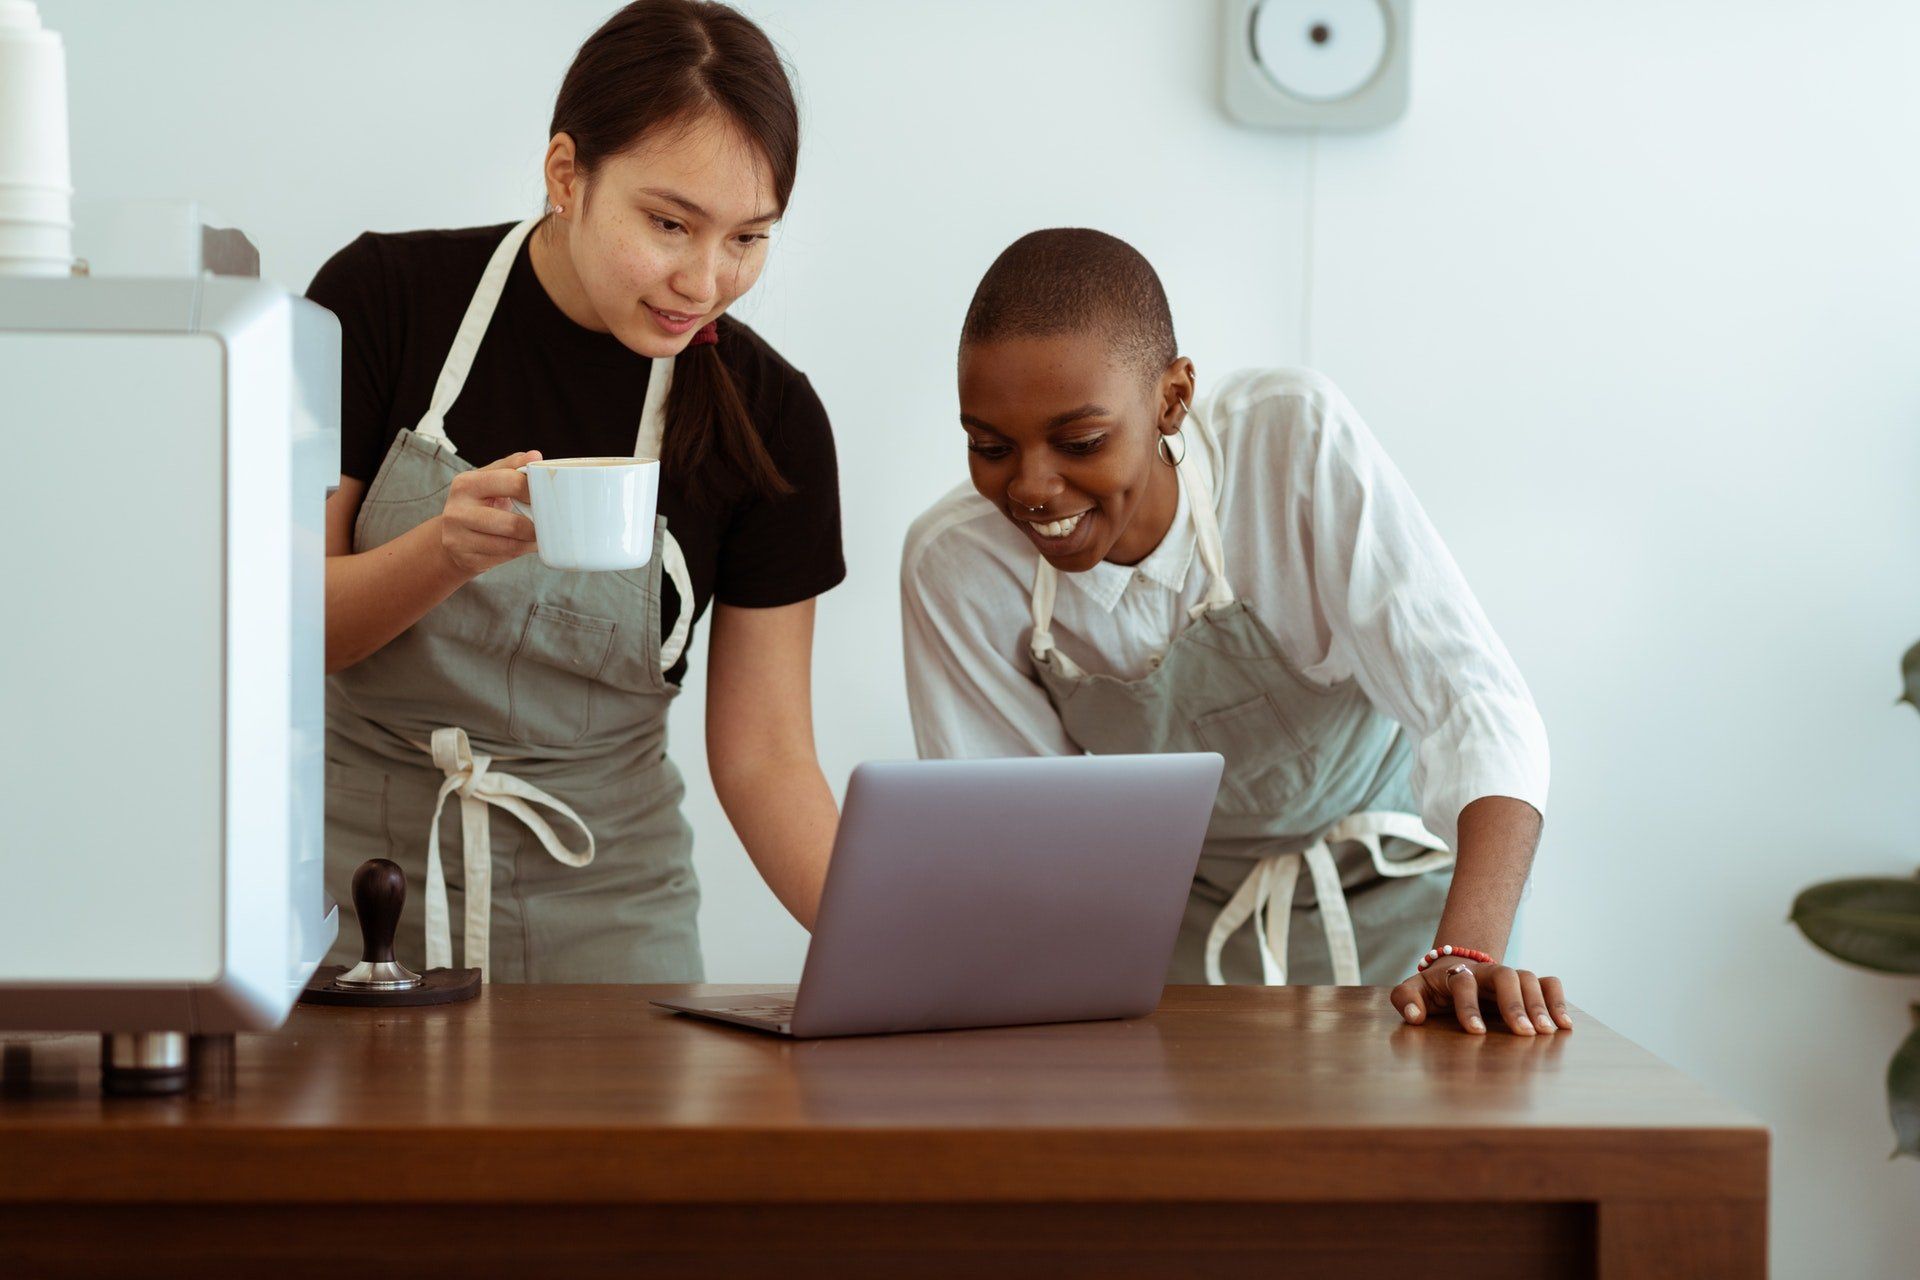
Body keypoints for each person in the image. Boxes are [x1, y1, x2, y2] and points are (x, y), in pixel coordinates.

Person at [901, 229, 1568, 1034]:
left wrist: (1467, 953)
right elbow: (1015, 842)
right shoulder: (958, 564)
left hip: (1414, 920)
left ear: (1172, 398)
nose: (1033, 489)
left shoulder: (1289, 442)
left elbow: (1476, 707)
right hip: (1177, 936)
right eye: (989, 446)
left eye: (1080, 443)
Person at [309, 0, 842, 983]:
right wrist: (441, 551)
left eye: (747, 238)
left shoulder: (775, 421)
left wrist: (901, 953)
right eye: (670, 222)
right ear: (567, 175)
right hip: (354, 898)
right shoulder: (381, 301)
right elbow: (292, 629)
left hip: (613, 917)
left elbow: (767, 758)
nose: (706, 279)